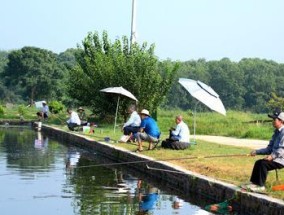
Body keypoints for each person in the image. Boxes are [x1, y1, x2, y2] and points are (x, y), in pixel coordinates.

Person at [244, 111, 284, 192]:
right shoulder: (276, 132)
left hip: (281, 159)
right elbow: (269, 148)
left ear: (281, 121)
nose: (272, 121)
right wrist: (256, 151)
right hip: (276, 158)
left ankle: (261, 186)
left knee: (263, 164)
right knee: (258, 162)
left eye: (274, 119)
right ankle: (254, 183)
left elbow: (282, 149)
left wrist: (272, 156)